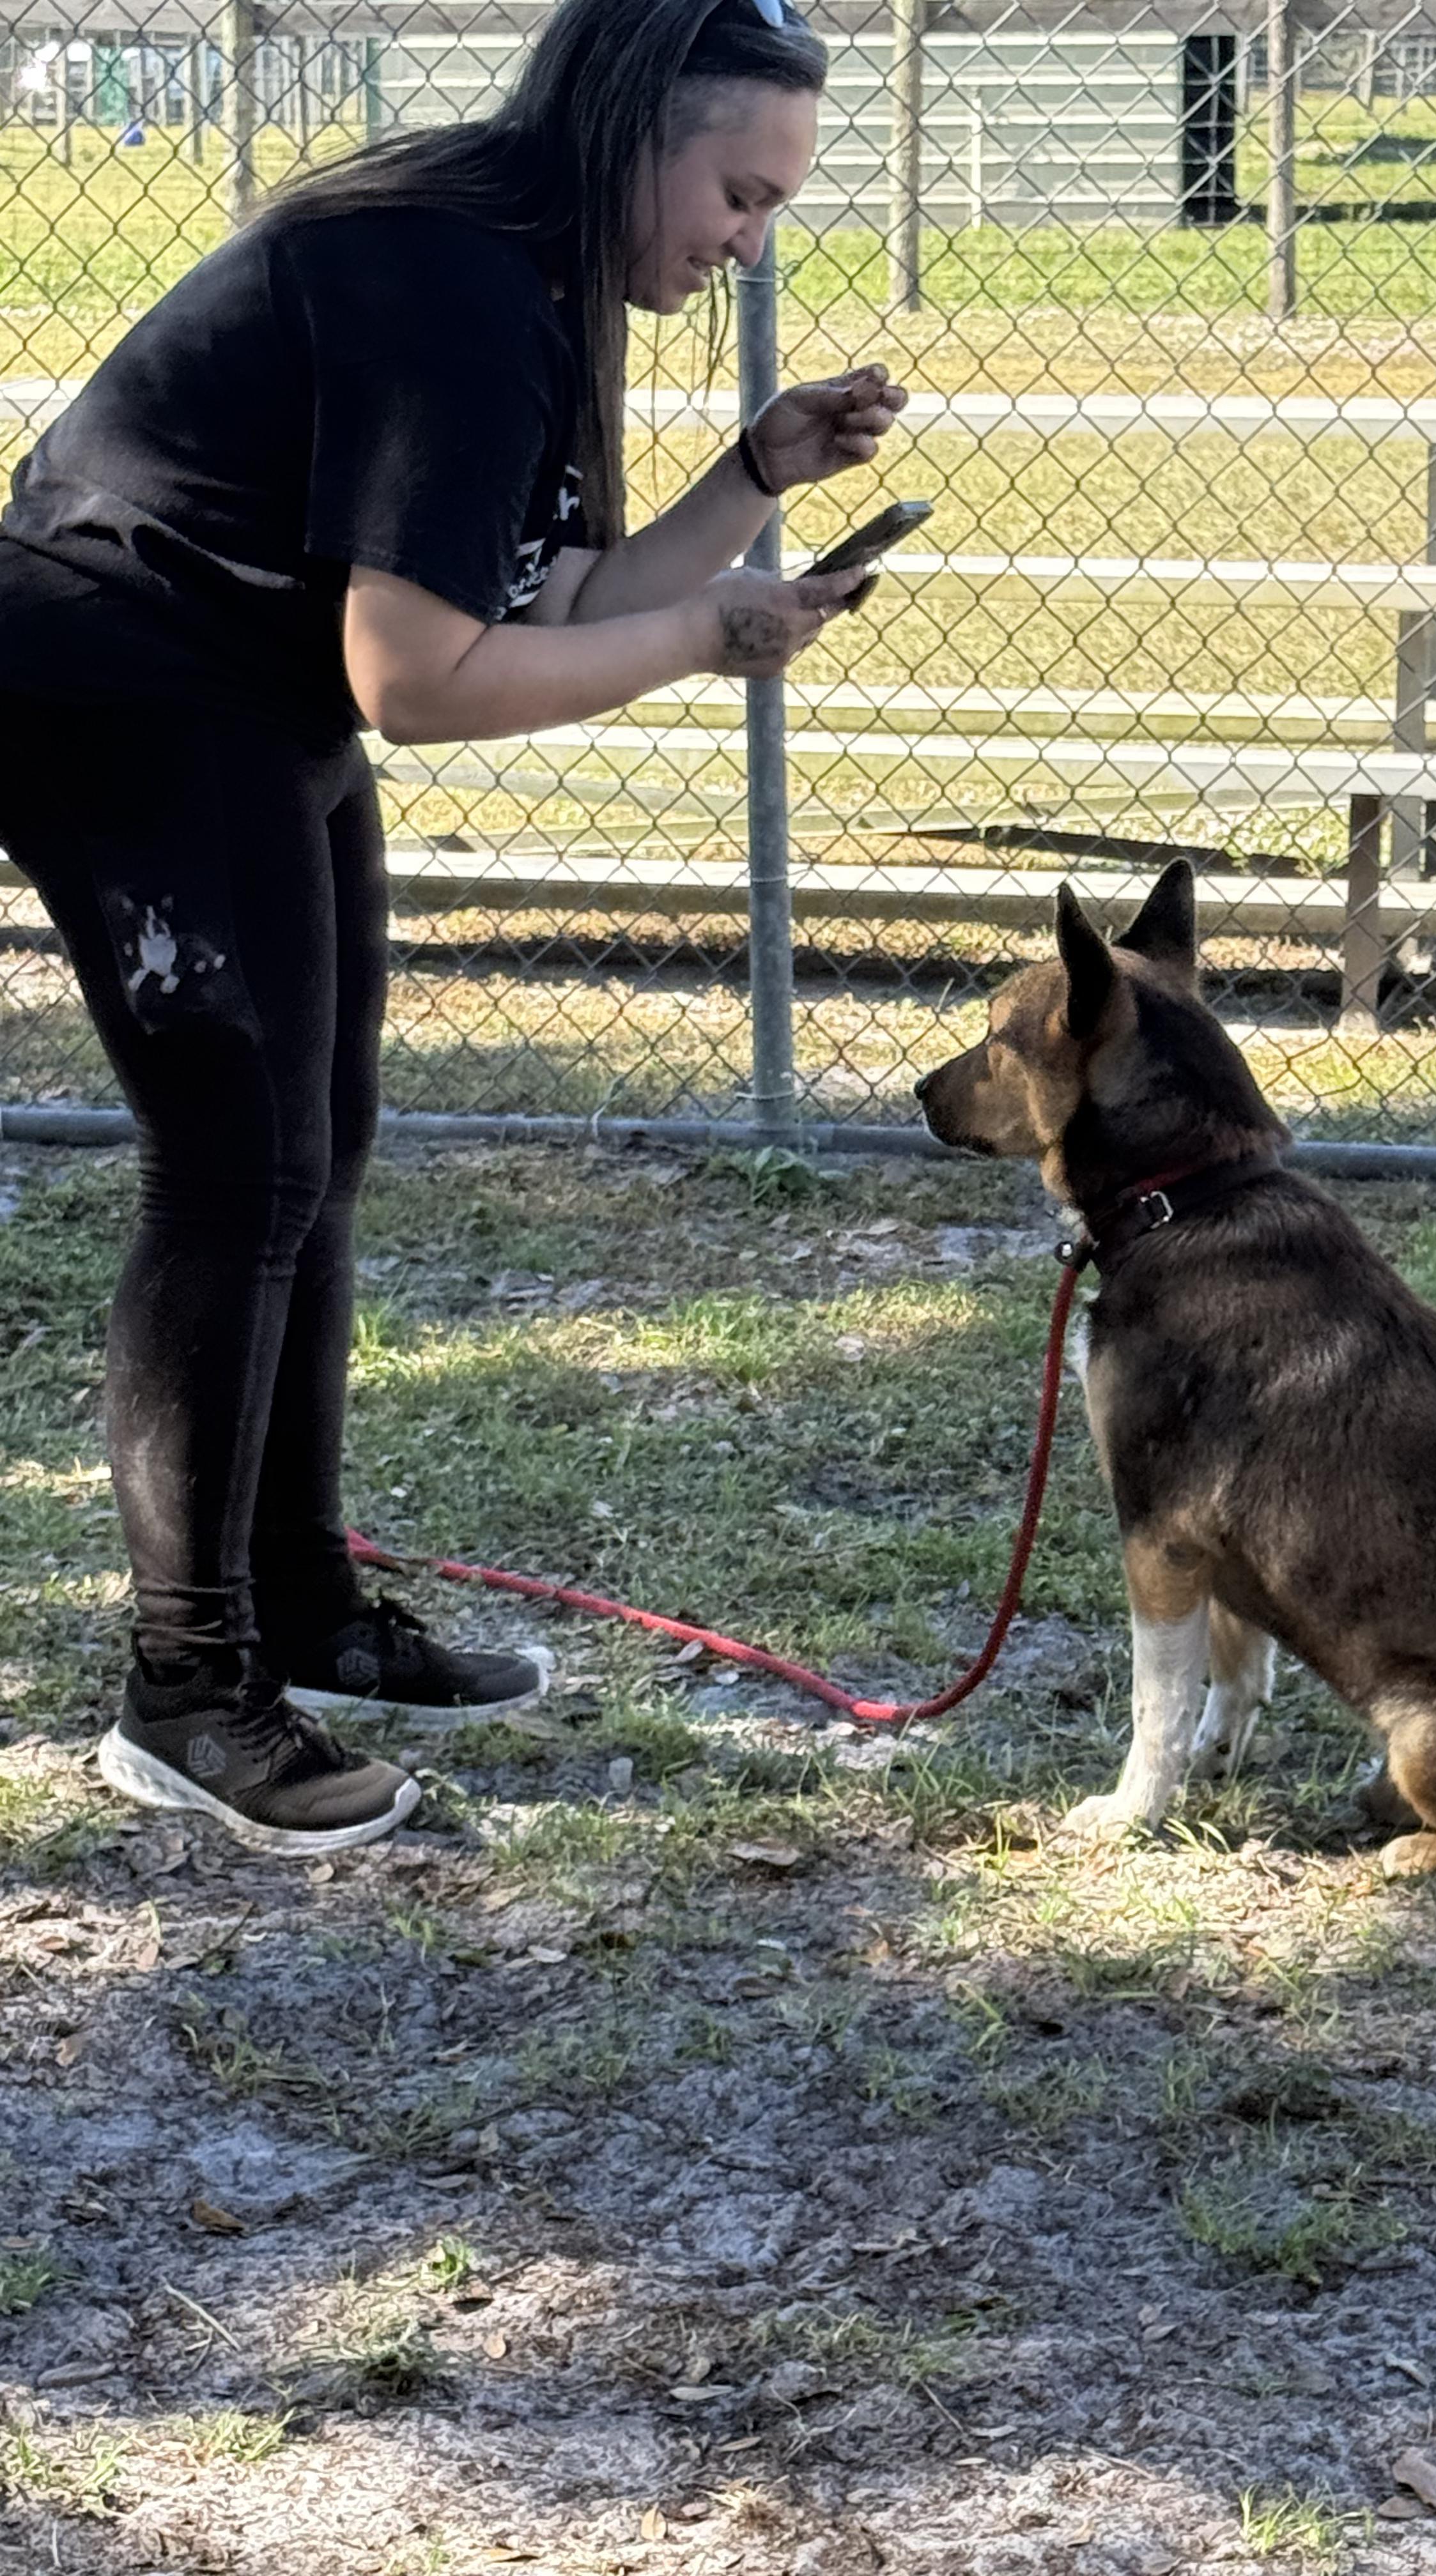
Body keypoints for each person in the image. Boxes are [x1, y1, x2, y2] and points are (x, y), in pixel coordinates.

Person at [0, 0, 904, 1856]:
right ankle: (190, 1695)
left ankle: (304, 1604)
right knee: (236, 1171)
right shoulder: (455, 283)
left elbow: (548, 586)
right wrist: (720, 631)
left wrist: (748, 485)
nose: (749, 240)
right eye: (741, 191)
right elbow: (416, 678)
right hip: (124, 677)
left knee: (316, 1150)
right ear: (642, 123)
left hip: (252, 697)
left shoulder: (532, 272)